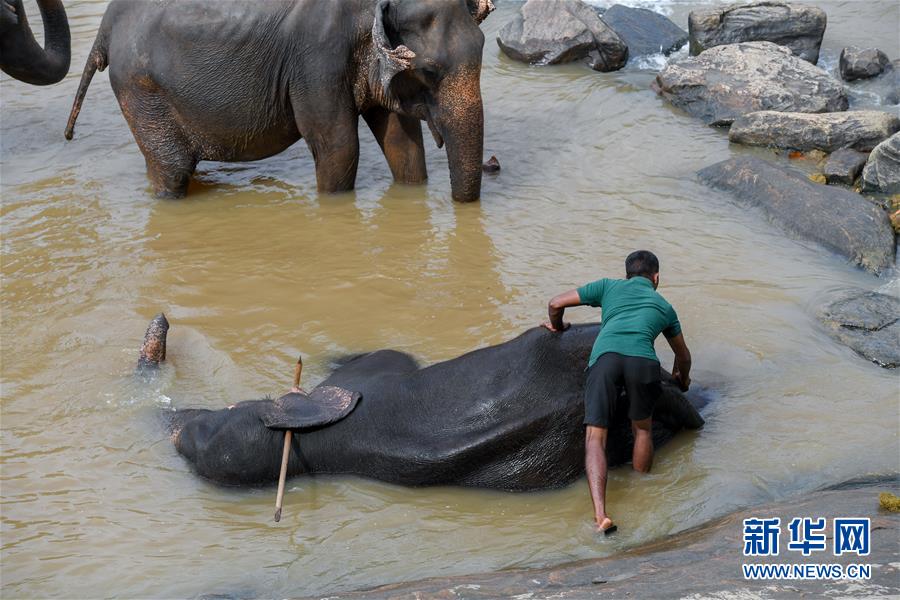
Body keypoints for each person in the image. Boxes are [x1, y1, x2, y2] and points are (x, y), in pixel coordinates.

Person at [542, 250, 691, 535]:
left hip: (606, 360)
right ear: (656, 278)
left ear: (626, 274)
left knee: (595, 437)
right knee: (642, 430)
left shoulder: (607, 287)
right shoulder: (664, 306)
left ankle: (600, 515)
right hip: (643, 362)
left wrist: (558, 326)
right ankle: (641, 494)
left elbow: (555, 303)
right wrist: (682, 381)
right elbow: (683, 356)